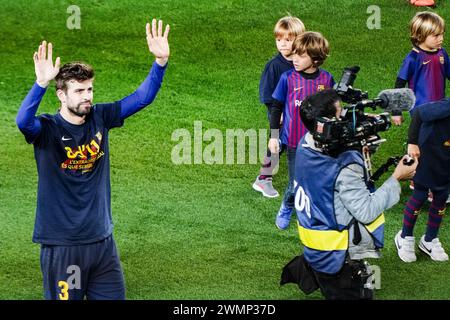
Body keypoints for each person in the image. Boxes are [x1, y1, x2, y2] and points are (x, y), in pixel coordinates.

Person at [15, 19, 170, 300]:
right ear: (61, 95)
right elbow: (23, 122)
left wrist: (160, 62)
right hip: (63, 246)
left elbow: (142, 98)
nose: (87, 97)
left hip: (102, 243)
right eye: (79, 91)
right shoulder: (47, 129)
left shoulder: (100, 116)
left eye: (90, 90)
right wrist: (40, 84)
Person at [280, 89, 418, 300]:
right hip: (338, 259)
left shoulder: (305, 143)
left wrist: (357, 133)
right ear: (329, 124)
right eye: (341, 112)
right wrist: (397, 177)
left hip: (316, 248)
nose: (345, 116)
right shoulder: (346, 169)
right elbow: (366, 211)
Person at [268, 31, 335, 230]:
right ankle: (288, 206)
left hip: (319, 142)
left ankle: (311, 213)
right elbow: (276, 107)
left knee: (317, 181)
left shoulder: (327, 79)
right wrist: (273, 136)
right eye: (294, 53)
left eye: (301, 55)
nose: (294, 58)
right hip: (295, 142)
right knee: (295, 183)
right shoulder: (287, 78)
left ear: (315, 59)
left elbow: (332, 110)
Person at [393, 11, 450, 200]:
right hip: (420, 112)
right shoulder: (413, 58)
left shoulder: (442, 54)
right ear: (420, 36)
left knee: (436, 145)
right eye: (436, 35)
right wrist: (396, 110)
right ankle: (417, 181)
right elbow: (399, 84)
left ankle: (432, 183)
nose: (441, 39)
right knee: (420, 145)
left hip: (439, 109)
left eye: (442, 34)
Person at [252, 16, 305, 198]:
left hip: (300, 112)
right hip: (280, 114)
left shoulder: (302, 63)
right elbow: (267, 95)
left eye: (288, 40)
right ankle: (263, 178)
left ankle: (305, 179)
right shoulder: (274, 66)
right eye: (278, 39)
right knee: (277, 144)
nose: (282, 44)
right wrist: (278, 114)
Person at [395, 98, 450, 262]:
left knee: (441, 196)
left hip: (445, 159)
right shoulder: (446, 107)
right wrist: (412, 143)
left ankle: (429, 240)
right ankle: (405, 237)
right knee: (419, 195)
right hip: (425, 152)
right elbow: (419, 112)